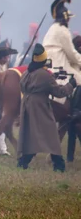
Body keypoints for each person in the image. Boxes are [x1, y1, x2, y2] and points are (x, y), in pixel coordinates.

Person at [17, 43, 75, 172]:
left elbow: (30, 84)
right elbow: (59, 92)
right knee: (52, 135)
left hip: (27, 105)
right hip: (40, 108)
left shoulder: (26, 72)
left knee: (31, 136)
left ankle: (23, 161)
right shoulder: (44, 75)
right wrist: (71, 85)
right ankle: (58, 164)